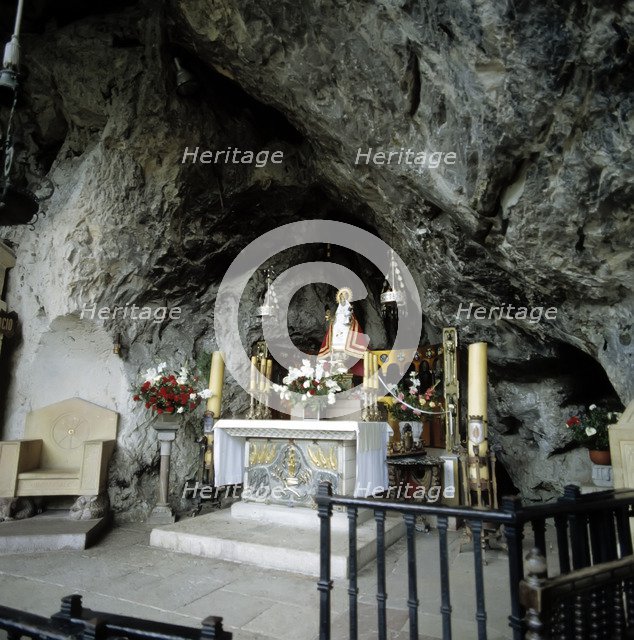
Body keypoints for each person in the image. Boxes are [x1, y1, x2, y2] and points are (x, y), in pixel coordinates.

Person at [318, 287, 367, 376]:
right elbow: (334, 321)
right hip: (336, 333)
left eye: (344, 297)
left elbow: (350, 320)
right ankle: (336, 365)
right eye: (341, 297)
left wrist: (347, 317)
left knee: (343, 347)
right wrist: (330, 318)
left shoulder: (349, 309)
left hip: (345, 332)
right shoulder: (338, 309)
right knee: (336, 348)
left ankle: (342, 365)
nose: (342, 299)